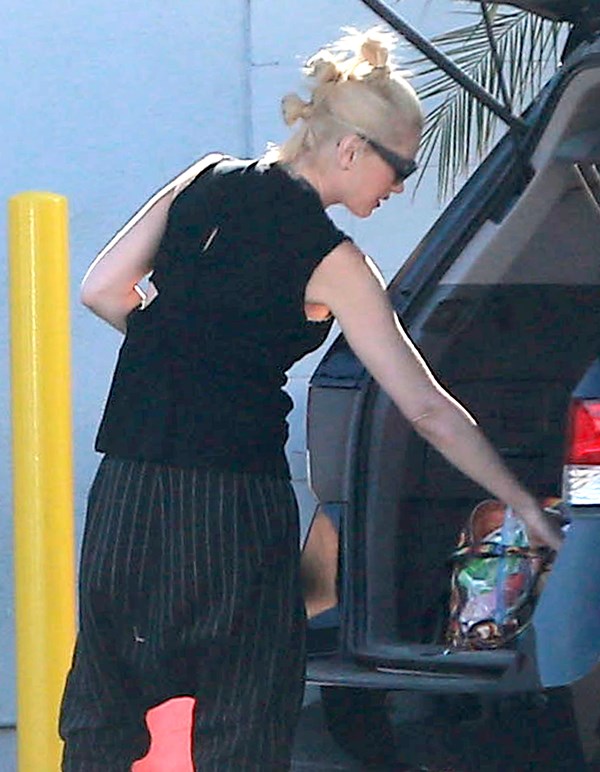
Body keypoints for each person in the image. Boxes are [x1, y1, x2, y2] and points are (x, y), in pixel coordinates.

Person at [59, 27, 561, 772]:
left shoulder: (202, 179)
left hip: (126, 490)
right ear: (352, 149)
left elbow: (102, 290)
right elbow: (424, 407)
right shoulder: (334, 262)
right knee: (244, 714)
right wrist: (521, 503)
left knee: (103, 707)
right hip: (232, 503)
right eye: (401, 166)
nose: (400, 187)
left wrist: (182, 349)